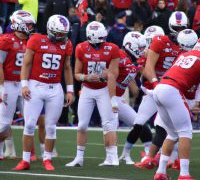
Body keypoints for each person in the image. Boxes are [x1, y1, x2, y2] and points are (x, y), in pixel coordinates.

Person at [13, 14, 74, 171]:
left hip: (55, 88)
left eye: (64, 33)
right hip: (36, 86)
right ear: (51, 30)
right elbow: (26, 63)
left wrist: (70, 90)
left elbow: (67, 67)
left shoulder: (67, 44)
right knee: (29, 124)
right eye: (59, 33)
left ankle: (47, 159)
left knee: (51, 126)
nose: (62, 36)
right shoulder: (36, 40)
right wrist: (24, 85)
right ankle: (25, 160)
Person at [134, 29, 198, 170]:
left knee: (173, 130)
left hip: (173, 92)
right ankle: (171, 165)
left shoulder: (182, 55)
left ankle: (163, 164)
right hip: (176, 92)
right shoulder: (188, 54)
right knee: (176, 129)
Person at [65, 21, 120, 167]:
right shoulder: (81, 48)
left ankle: (112, 158)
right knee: (82, 125)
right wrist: (86, 77)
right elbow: (77, 73)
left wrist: (105, 78)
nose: (101, 42)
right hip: (88, 89)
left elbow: (114, 74)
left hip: (104, 89)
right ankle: (79, 158)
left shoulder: (113, 49)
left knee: (108, 124)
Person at [152, 39, 200, 180]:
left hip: (160, 88)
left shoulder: (185, 54)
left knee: (172, 133)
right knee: (185, 131)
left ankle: (160, 172)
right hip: (172, 90)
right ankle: (184, 174)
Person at [0, 10, 36, 159]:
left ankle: (30, 153)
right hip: (8, 83)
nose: (31, 27)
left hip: (25, 84)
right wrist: (1, 87)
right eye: (28, 24)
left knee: (30, 119)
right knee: (4, 122)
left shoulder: (32, 40)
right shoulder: (5, 40)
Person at [117, 31, 153, 164]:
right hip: (106, 96)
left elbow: (133, 74)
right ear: (131, 45)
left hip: (117, 97)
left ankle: (129, 154)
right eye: (140, 48)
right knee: (108, 126)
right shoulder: (119, 55)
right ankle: (112, 157)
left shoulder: (132, 59)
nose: (142, 51)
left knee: (140, 124)